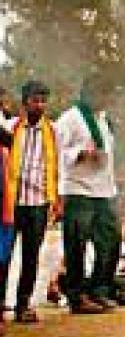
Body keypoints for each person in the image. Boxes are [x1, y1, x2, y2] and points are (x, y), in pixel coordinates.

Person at [56, 75, 121, 313]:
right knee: (77, 246)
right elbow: (57, 153)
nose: (106, 100)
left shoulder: (104, 119)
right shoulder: (69, 119)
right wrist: (81, 154)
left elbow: (110, 154)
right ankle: (76, 297)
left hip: (104, 191)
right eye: (103, 95)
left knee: (111, 243)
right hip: (77, 190)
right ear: (88, 94)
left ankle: (99, 290)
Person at [0, 81, 59, 327]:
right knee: (4, 256)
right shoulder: (10, 127)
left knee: (31, 257)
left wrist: (57, 199)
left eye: (44, 100)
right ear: (25, 102)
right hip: (11, 202)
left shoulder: (53, 130)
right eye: (35, 100)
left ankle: (24, 305)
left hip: (38, 203)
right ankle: (1, 304)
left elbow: (58, 165)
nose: (40, 105)